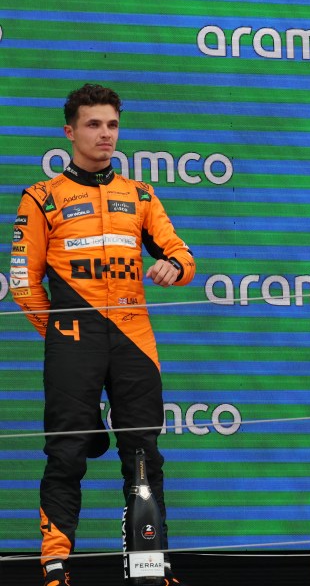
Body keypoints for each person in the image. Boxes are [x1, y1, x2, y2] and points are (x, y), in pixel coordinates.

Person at [10, 84, 196, 586]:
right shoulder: (41, 197)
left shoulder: (139, 194)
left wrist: (172, 269)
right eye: (93, 125)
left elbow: (182, 257)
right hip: (72, 338)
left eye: (112, 125)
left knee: (143, 453)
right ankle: (55, 566)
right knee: (67, 452)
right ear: (69, 132)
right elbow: (24, 282)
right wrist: (62, 333)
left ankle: (150, 568)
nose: (105, 135)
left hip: (135, 338)